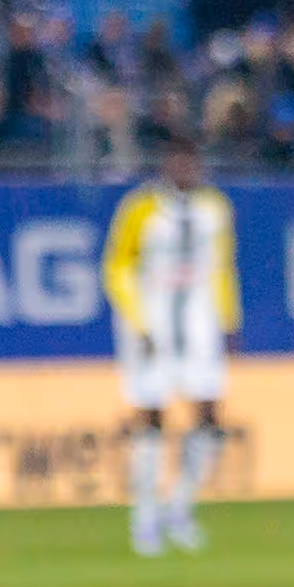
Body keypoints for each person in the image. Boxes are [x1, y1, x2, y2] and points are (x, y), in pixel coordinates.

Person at [101, 125, 237, 559]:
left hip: (200, 322)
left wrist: (229, 319)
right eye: (176, 159)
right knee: (150, 416)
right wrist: (137, 319)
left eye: (190, 160)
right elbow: (117, 265)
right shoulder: (141, 208)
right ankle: (144, 516)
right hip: (152, 322)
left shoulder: (214, 208)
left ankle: (180, 506)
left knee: (209, 414)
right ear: (165, 164)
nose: (184, 168)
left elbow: (222, 267)